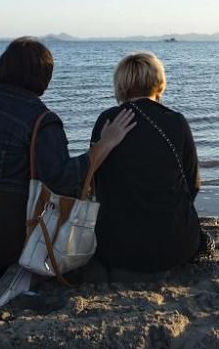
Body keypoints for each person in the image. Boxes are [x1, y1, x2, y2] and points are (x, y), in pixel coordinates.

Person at [0, 37, 135, 308]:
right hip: (3, 241)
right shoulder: (42, 120)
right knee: (54, 230)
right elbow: (63, 182)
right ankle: (21, 274)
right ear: (44, 76)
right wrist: (105, 144)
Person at [89, 52, 211, 276]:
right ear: (158, 82)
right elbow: (193, 184)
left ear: (121, 84)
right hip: (176, 245)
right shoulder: (176, 121)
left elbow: (93, 180)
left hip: (118, 247)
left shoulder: (107, 120)